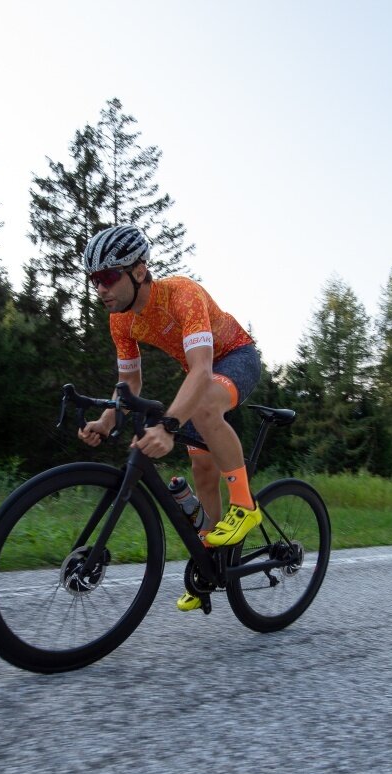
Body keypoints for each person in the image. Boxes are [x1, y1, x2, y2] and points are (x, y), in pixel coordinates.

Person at [77, 224, 262, 612]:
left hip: (236, 357)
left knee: (206, 406)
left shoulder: (182, 293)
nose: (100, 288)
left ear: (139, 271)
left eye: (108, 277)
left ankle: (245, 505)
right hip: (201, 372)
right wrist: (107, 421)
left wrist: (169, 425)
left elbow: (201, 368)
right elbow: (129, 380)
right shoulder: (121, 320)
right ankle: (209, 565)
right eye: (95, 280)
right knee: (203, 472)